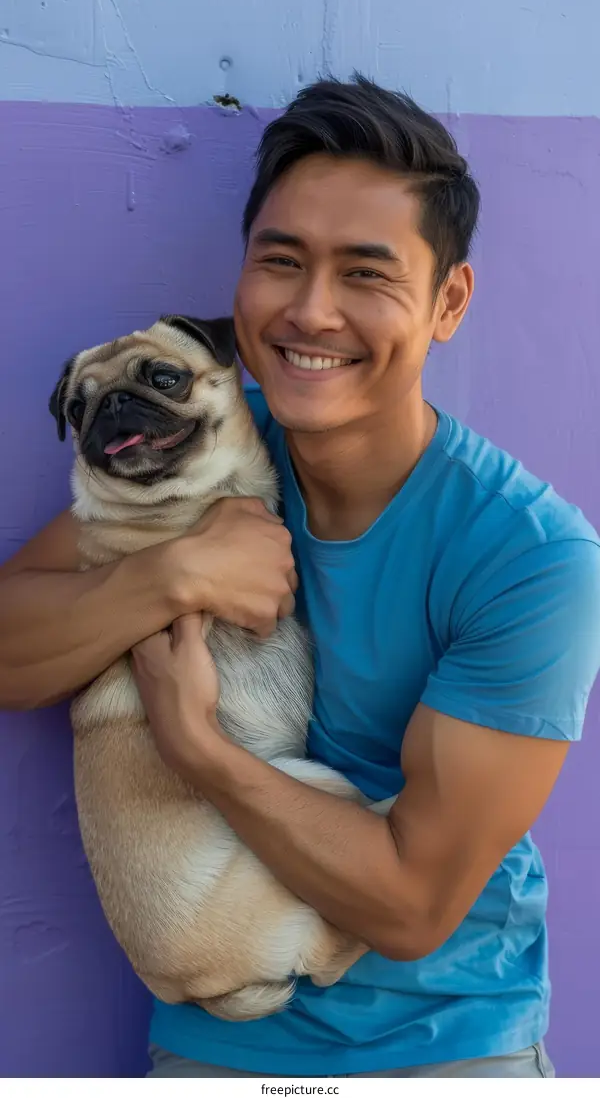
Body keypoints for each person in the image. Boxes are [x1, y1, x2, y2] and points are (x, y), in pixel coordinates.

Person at [1, 76, 599, 1081]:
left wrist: (200, 747)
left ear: (449, 300)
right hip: (216, 1035)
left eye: (366, 273)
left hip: (445, 1046)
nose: (311, 309)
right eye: (281, 260)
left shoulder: (529, 558)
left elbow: (411, 904)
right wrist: (175, 572)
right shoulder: (203, 448)